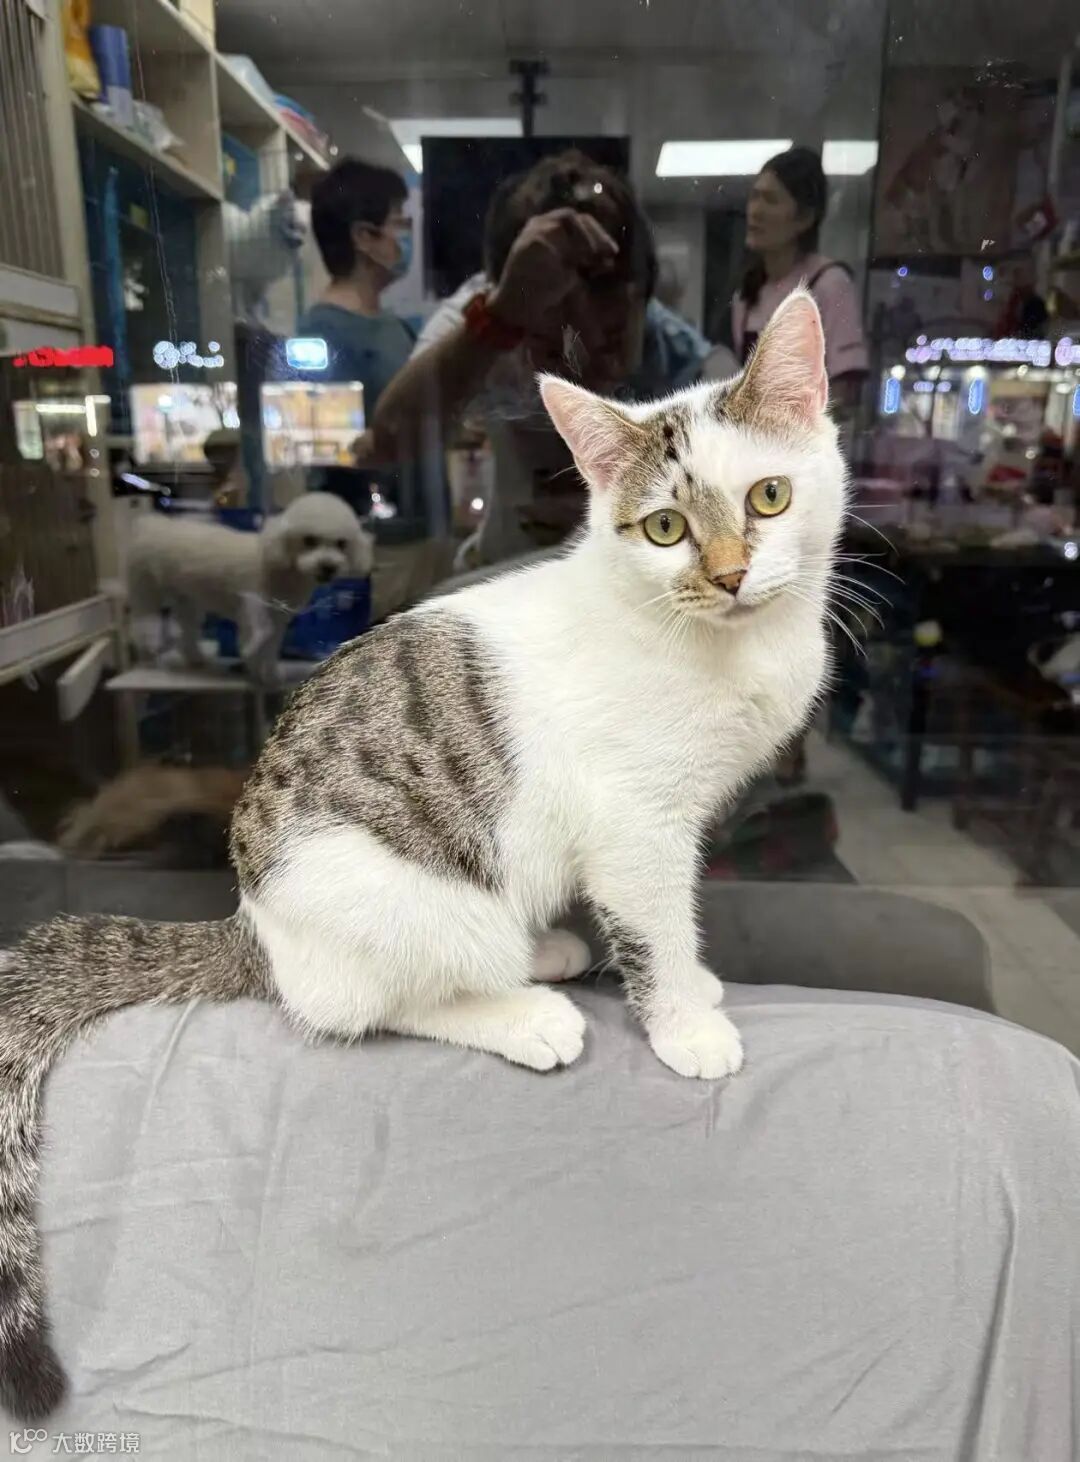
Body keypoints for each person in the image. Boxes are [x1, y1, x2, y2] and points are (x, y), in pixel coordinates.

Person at [371, 149, 724, 566]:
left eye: (611, 339)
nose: (585, 369)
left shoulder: (680, 359)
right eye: (553, 345)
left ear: (644, 302)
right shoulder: (487, 319)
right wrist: (497, 321)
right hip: (508, 571)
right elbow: (389, 441)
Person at [297, 158, 415, 513]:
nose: (407, 235)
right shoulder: (320, 336)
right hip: (366, 530)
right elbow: (328, 456)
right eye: (399, 222)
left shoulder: (396, 327)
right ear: (364, 237)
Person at [733, 146, 868, 408]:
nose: (755, 211)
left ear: (804, 218)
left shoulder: (829, 283)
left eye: (771, 200)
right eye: (754, 197)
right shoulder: (747, 295)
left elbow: (846, 389)